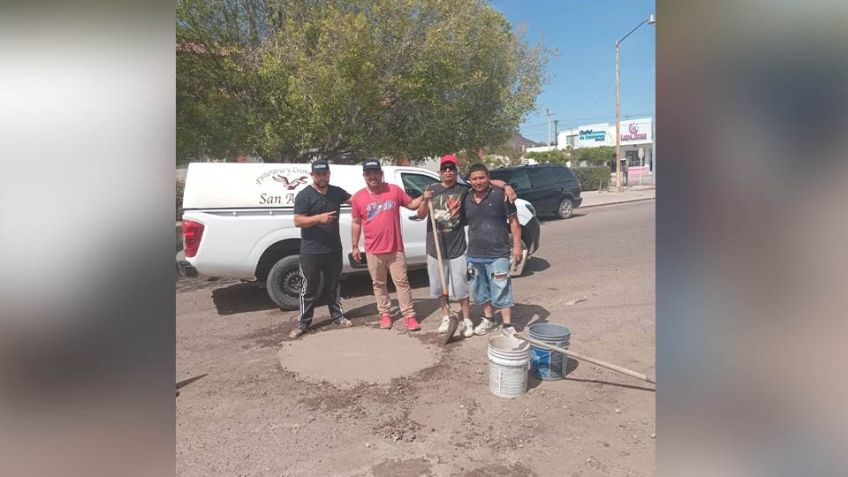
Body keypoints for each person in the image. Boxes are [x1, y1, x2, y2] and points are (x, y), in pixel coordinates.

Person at [417, 154, 517, 339]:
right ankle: (447, 317)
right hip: (438, 247)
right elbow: (420, 213)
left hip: (460, 248)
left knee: (467, 287)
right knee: (446, 287)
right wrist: (424, 200)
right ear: (440, 172)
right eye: (445, 169)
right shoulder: (432, 189)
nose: (448, 171)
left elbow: (483, 181)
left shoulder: (465, 190)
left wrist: (506, 185)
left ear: (456, 172)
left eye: (451, 168)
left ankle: (469, 319)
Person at [351, 160, 427, 331]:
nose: (372, 176)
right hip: (373, 250)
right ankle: (385, 314)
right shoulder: (358, 197)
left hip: (395, 248)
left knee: (402, 282)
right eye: (368, 173)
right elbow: (356, 222)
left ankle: (409, 316)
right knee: (379, 284)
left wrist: (424, 196)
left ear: (381, 174)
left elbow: (412, 205)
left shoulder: (394, 190)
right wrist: (355, 246)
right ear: (364, 176)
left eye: (375, 172)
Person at [288, 160, 353, 339]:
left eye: (324, 174)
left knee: (334, 285)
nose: (322, 177)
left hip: (333, 249)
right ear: (312, 175)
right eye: (318, 174)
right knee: (308, 288)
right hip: (311, 251)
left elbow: (355, 201)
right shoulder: (304, 195)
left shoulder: (336, 192)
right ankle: (303, 323)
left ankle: (337, 316)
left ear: (329, 174)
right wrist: (319, 218)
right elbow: (298, 220)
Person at [463, 163, 523, 336]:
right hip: (475, 254)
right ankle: (489, 319)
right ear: (470, 181)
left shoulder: (501, 196)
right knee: (480, 290)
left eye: (482, 177)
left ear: (488, 178)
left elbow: (514, 223)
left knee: (501, 287)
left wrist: (517, 247)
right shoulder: (466, 198)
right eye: (474, 179)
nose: (478, 182)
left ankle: (507, 325)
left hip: (498, 253)